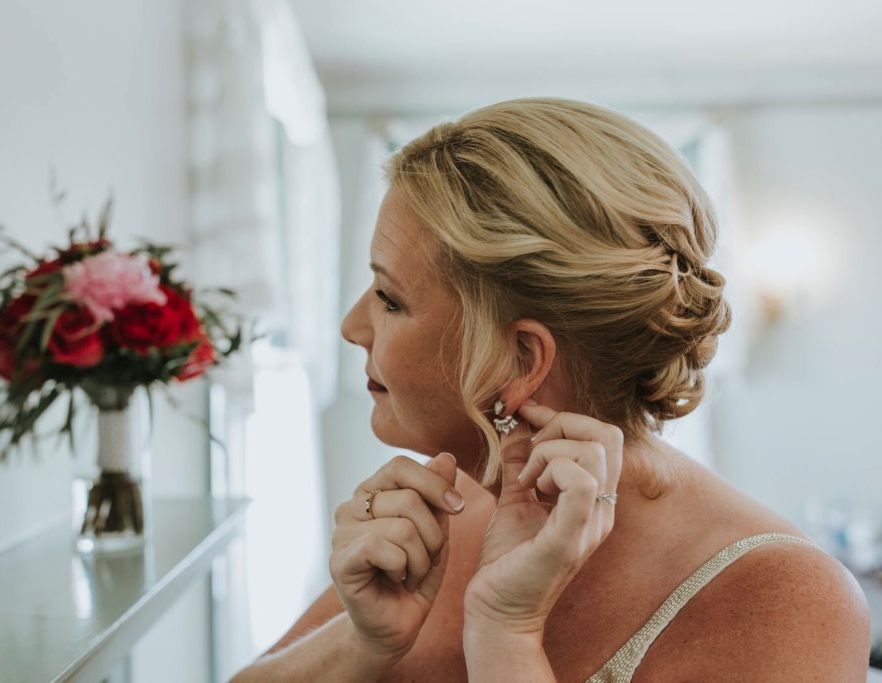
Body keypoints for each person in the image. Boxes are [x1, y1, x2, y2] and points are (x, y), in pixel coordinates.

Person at [232, 98, 870, 681]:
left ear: (521, 357)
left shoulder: (784, 597)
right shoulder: (451, 505)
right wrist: (363, 642)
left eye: (390, 299)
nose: (351, 326)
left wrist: (505, 635)